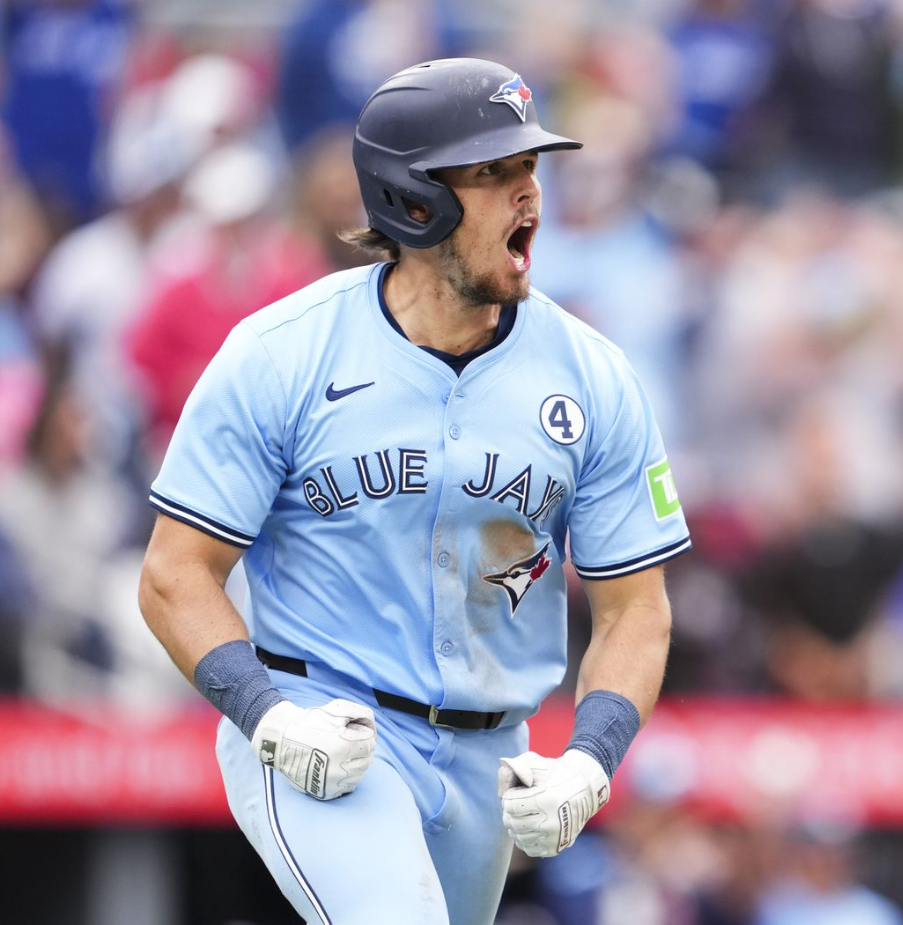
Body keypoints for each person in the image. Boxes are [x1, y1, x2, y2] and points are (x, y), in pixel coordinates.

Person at [139, 58, 691, 925]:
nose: (528, 193)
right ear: (414, 200)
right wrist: (268, 716)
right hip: (328, 729)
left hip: (488, 758)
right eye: (493, 171)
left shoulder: (594, 375)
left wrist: (591, 758)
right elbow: (175, 572)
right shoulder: (281, 352)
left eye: (529, 166)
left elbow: (636, 610)